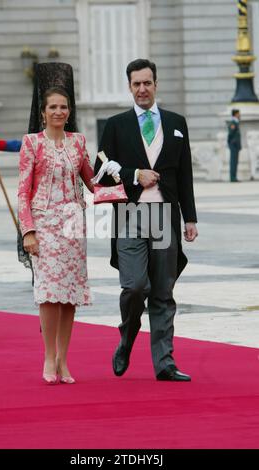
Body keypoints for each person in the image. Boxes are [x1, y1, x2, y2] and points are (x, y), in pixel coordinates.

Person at [94, 58, 198, 382]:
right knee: (135, 285)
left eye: (147, 83)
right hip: (130, 214)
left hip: (165, 215)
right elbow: (100, 175)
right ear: (129, 87)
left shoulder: (176, 122)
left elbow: (185, 176)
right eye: (136, 84)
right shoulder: (115, 125)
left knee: (163, 291)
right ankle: (127, 338)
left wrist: (190, 218)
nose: (142, 89)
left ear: (156, 84)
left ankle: (164, 362)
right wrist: (134, 175)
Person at [18, 85, 94, 385]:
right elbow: (23, 191)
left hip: (73, 224)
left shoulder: (78, 142)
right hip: (44, 223)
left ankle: (64, 358)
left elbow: (92, 181)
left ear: (69, 111)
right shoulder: (32, 143)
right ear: (43, 112)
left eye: (63, 107)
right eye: (53, 107)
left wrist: (120, 181)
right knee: (50, 293)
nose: (59, 112)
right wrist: (28, 231)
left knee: (69, 296)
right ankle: (49, 356)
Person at [227, 109, 241, 182]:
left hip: (236, 145)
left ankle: (234, 177)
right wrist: (231, 143)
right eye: (238, 114)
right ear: (235, 114)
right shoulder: (233, 122)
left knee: (235, 162)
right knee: (233, 162)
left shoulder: (236, 122)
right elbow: (230, 134)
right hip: (233, 145)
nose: (239, 115)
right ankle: (232, 177)